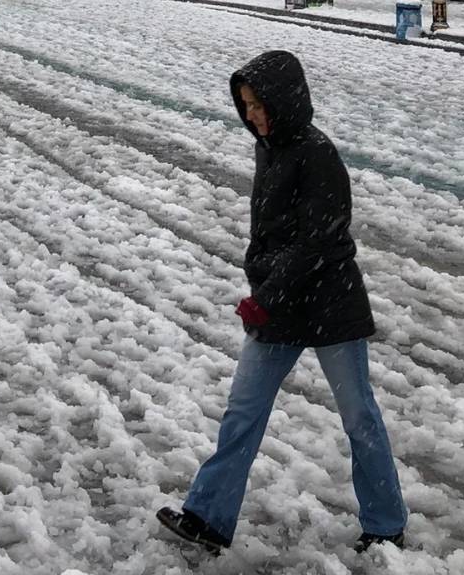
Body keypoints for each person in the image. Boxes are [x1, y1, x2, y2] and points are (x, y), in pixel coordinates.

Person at [156, 50, 407, 555]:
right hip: (280, 304)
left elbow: (318, 239)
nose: (250, 115)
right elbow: (268, 234)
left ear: (282, 100)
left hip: (329, 302)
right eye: (245, 105)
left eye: (256, 105)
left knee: (359, 417)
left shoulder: (318, 153)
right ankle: (207, 516)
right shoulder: (269, 148)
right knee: (242, 412)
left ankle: (386, 524)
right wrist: (260, 282)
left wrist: (265, 296)